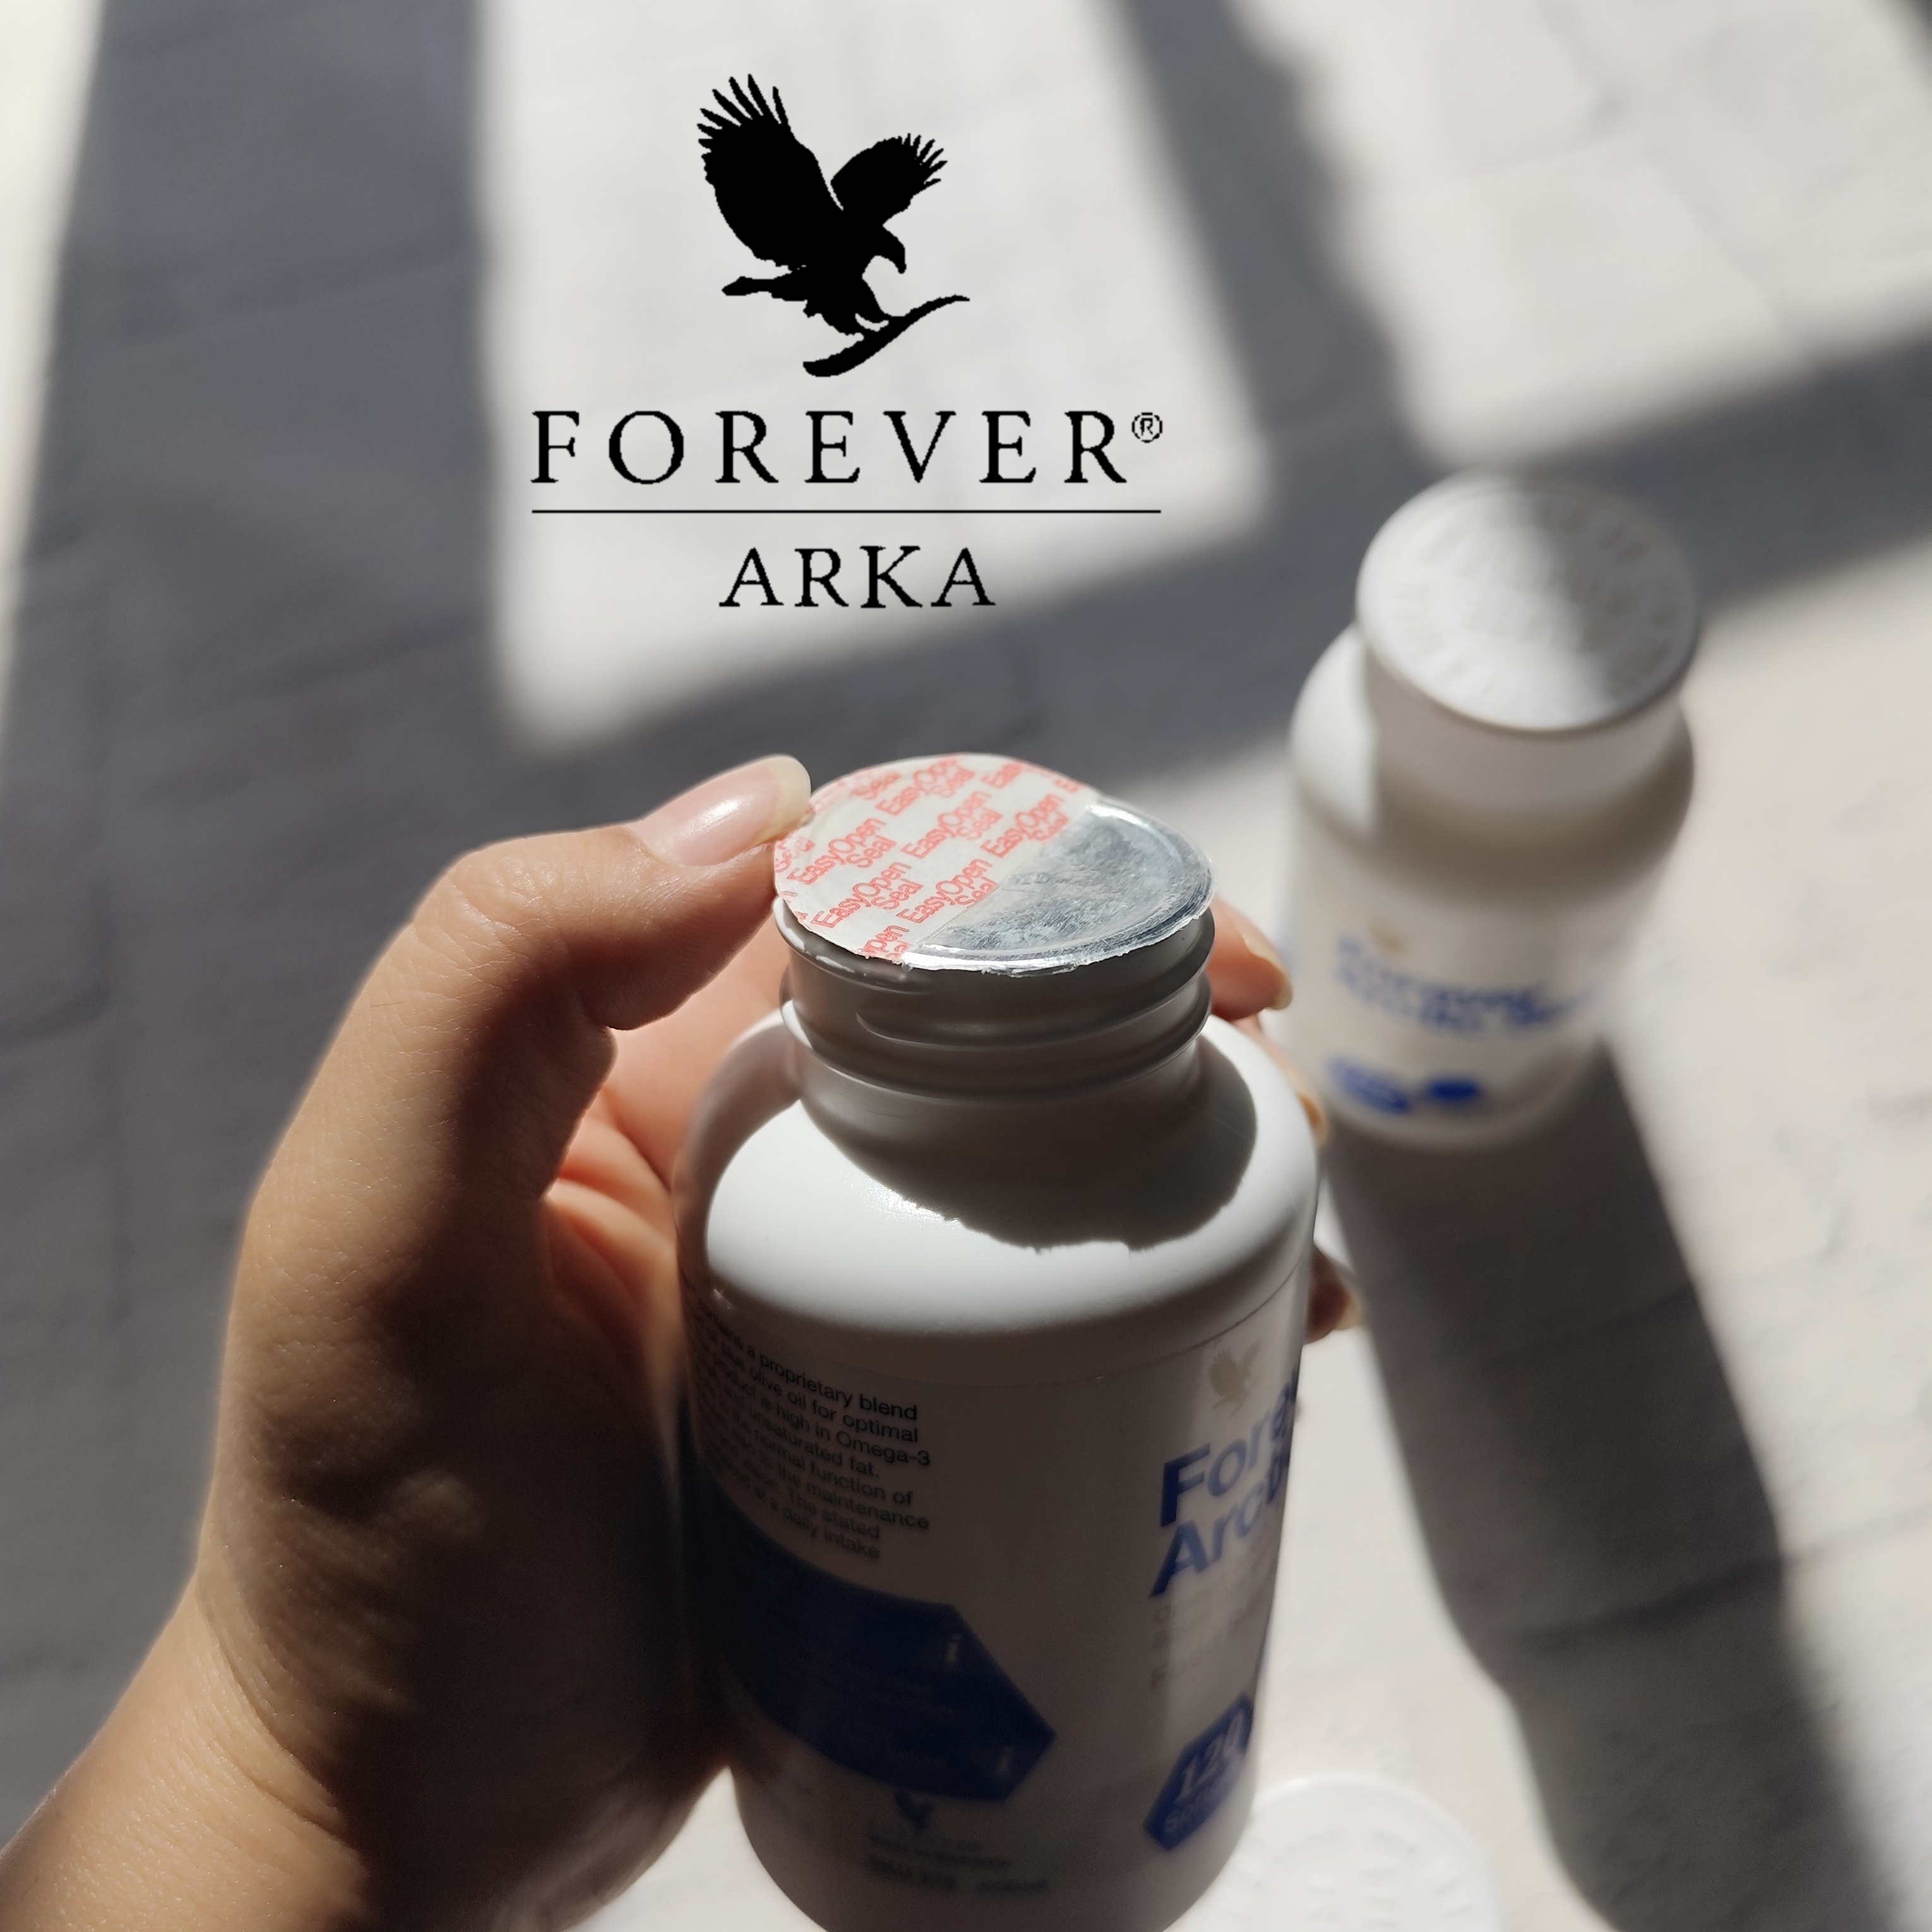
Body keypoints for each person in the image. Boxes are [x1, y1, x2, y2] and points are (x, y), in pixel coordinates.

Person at [0, 756, 1350, 1931]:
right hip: (853, 1788)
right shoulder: (749, 1137)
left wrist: (292, 1780)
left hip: (1135, 1783)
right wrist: (299, 1755)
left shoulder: (763, 1144)